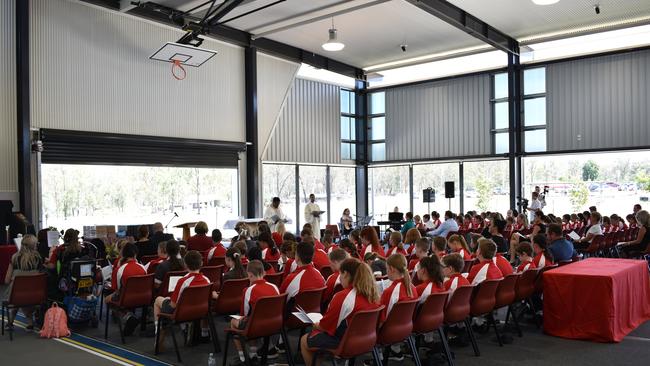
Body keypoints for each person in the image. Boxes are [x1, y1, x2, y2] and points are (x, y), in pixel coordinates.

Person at [300, 259, 380, 366]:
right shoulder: (373, 295)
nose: (340, 278)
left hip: (345, 344)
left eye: (340, 274)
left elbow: (324, 327)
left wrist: (315, 325)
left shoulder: (343, 297)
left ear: (346, 274)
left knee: (305, 340)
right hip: (368, 340)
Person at [229, 260, 280, 364]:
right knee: (252, 319)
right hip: (275, 324)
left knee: (234, 321)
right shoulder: (274, 287)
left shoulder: (249, 290)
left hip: (256, 326)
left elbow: (244, 314)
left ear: (250, 274)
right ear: (263, 272)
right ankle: (253, 353)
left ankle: (244, 357)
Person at [153, 251, 212, 337]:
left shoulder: (183, 281)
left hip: (183, 312)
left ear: (185, 264)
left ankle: (158, 331)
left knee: (158, 300)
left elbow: (173, 305)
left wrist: (168, 299)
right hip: (201, 310)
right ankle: (203, 333)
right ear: (201, 263)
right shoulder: (207, 280)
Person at [378, 254, 418, 361]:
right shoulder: (412, 288)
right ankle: (395, 350)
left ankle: (379, 358)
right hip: (407, 329)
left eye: (386, 268)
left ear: (391, 269)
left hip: (389, 333)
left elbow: (381, 321)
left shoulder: (390, 292)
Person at [105, 242, 146, 336]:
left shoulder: (119, 269)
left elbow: (116, 290)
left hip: (126, 298)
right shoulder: (143, 267)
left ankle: (127, 316)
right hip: (143, 297)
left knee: (107, 299)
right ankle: (130, 317)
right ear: (135, 254)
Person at [4, 234, 43, 331]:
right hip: (35, 295)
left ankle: (10, 322)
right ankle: (30, 324)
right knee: (25, 294)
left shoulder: (15, 258)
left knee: (18, 293)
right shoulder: (38, 259)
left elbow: (6, 280)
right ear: (33, 246)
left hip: (16, 296)